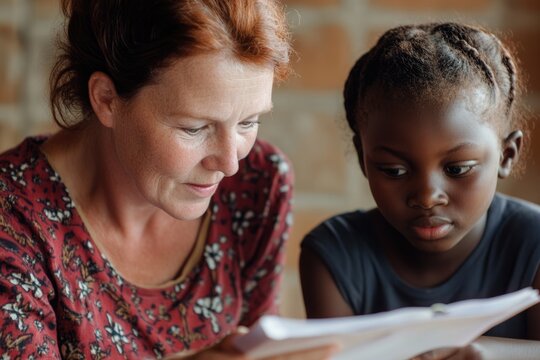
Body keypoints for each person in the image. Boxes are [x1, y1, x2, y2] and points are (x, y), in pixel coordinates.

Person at [0, 1, 338, 359]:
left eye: (248, 122)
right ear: (106, 99)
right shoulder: (12, 218)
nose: (229, 163)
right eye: (194, 128)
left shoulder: (258, 183)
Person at [300, 22, 540, 359]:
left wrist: (487, 353)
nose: (427, 196)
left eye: (457, 169)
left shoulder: (534, 245)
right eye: (394, 171)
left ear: (506, 155)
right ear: (362, 157)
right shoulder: (335, 255)